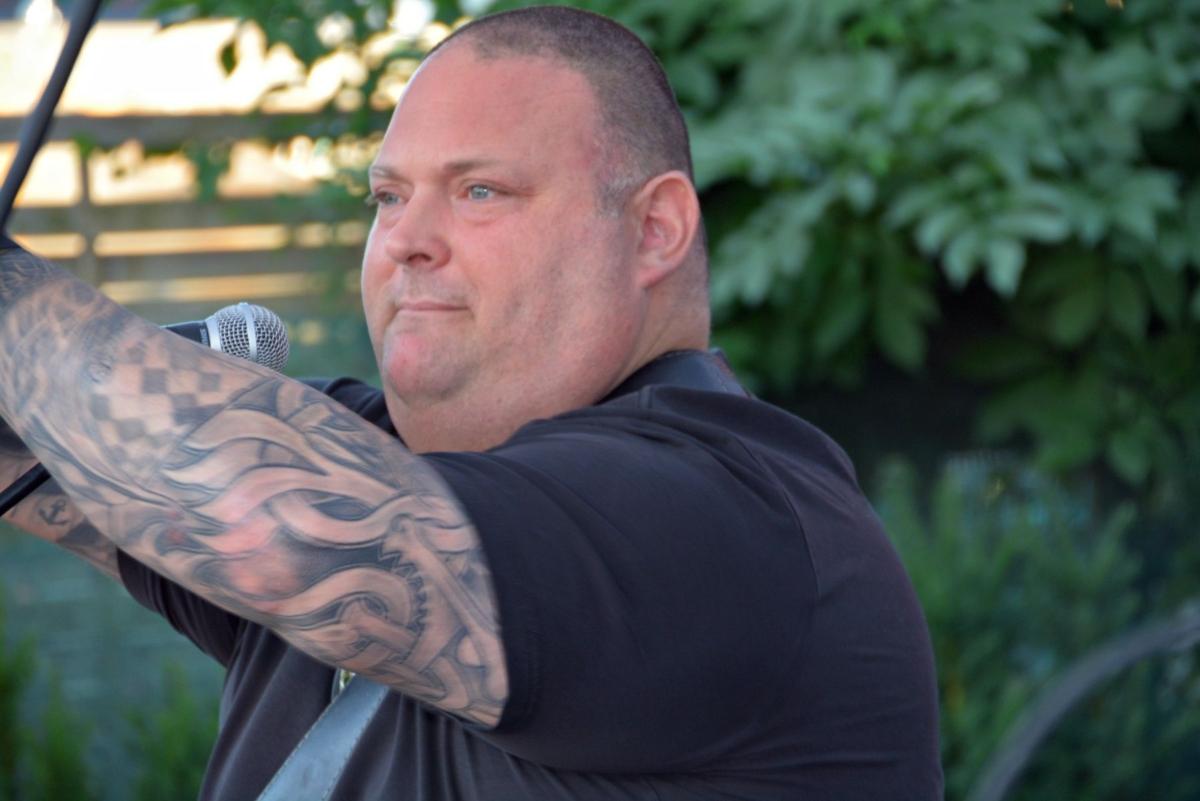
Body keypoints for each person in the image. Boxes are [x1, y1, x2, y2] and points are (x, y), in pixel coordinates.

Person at [0, 6, 942, 799]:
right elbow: (66, 453)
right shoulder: (367, 456)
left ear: (655, 229)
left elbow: (278, 518)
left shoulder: (731, 516)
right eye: (387, 197)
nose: (406, 238)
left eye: (479, 190)